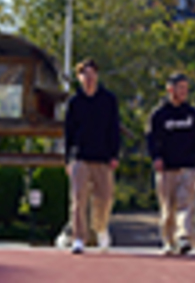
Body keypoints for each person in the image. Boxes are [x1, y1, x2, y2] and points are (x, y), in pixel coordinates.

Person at [64, 58, 120, 254]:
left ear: (96, 75)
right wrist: (67, 159)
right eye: (84, 74)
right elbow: (68, 132)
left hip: (103, 157)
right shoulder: (74, 102)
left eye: (91, 74)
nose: (88, 78)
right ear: (79, 78)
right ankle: (79, 238)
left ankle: (101, 229)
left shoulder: (108, 100)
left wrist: (114, 154)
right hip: (80, 157)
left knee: (104, 198)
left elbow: (114, 129)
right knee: (78, 199)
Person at [147, 72, 195, 255]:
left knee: (185, 204)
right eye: (180, 88)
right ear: (170, 89)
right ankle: (169, 241)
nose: (184, 92)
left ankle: (183, 237)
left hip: (187, 167)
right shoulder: (158, 114)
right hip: (166, 169)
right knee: (168, 209)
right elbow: (151, 139)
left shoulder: (192, 114)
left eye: (186, 88)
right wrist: (156, 157)